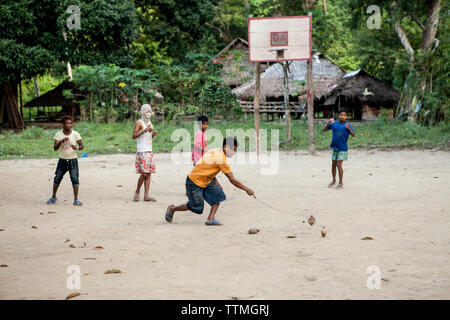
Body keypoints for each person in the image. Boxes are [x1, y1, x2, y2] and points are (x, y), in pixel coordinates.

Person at [165, 137, 254, 225]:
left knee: (218, 194)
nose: (234, 152)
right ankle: (172, 208)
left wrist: (214, 178)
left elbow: (208, 165)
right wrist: (247, 189)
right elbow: (232, 179)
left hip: (207, 180)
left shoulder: (215, 150)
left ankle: (210, 219)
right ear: (225, 147)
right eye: (233, 150)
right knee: (197, 207)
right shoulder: (221, 159)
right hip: (193, 182)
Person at [47, 116, 84, 206]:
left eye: (71, 123)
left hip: (73, 160)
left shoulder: (75, 134)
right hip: (62, 161)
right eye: (67, 123)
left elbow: (81, 145)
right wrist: (61, 142)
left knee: (75, 179)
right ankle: (53, 197)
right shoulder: (59, 135)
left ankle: (76, 199)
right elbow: (55, 148)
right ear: (63, 124)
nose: (70, 125)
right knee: (57, 178)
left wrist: (78, 147)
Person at [132, 104, 158, 202]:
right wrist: (144, 130)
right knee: (144, 174)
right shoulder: (139, 123)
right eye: (147, 111)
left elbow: (149, 137)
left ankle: (146, 196)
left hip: (149, 151)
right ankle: (137, 191)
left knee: (149, 173)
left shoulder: (150, 123)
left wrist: (153, 135)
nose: (149, 113)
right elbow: (133, 136)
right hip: (142, 151)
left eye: (150, 111)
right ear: (143, 112)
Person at [324, 109, 355, 189]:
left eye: (344, 115)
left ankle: (341, 182)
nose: (342, 116)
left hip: (343, 148)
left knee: (339, 165)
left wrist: (349, 129)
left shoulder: (347, 125)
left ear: (346, 117)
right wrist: (328, 123)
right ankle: (334, 180)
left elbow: (353, 134)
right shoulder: (334, 124)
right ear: (338, 116)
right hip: (335, 148)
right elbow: (325, 129)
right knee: (333, 164)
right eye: (341, 115)